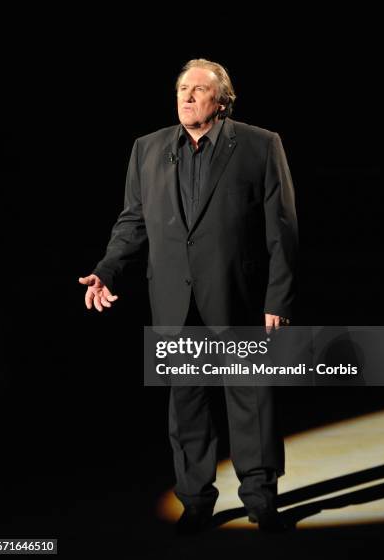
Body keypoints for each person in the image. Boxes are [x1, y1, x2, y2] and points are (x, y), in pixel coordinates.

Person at [79, 59, 298, 534]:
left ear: (222, 100)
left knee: (252, 404)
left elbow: (281, 230)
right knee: (187, 407)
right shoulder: (148, 149)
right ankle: (196, 501)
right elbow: (132, 222)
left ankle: (261, 500)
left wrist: (277, 299)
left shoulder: (259, 145)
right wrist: (107, 271)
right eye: (182, 88)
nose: (187, 96)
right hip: (175, 301)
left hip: (238, 297)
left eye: (199, 89)